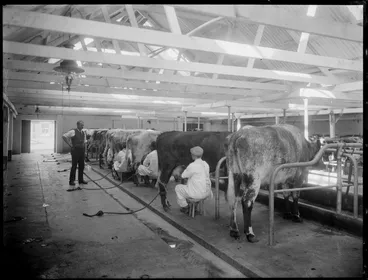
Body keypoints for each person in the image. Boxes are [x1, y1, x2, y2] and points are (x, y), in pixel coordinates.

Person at [175, 146, 213, 215]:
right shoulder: (205, 164)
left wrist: (181, 170)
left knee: (178, 188)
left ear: (193, 155)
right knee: (193, 185)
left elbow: (183, 176)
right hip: (207, 192)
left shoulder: (192, 165)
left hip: (197, 194)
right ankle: (194, 206)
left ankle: (186, 207)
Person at [62, 120, 88, 187]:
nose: (83, 126)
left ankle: (81, 180)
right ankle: (71, 181)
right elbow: (64, 136)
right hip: (75, 150)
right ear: (78, 125)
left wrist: (85, 152)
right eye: (81, 125)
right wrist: (70, 145)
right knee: (74, 166)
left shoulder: (83, 133)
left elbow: (84, 142)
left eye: (83, 125)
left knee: (82, 166)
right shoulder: (73, 131)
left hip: (82, 150)